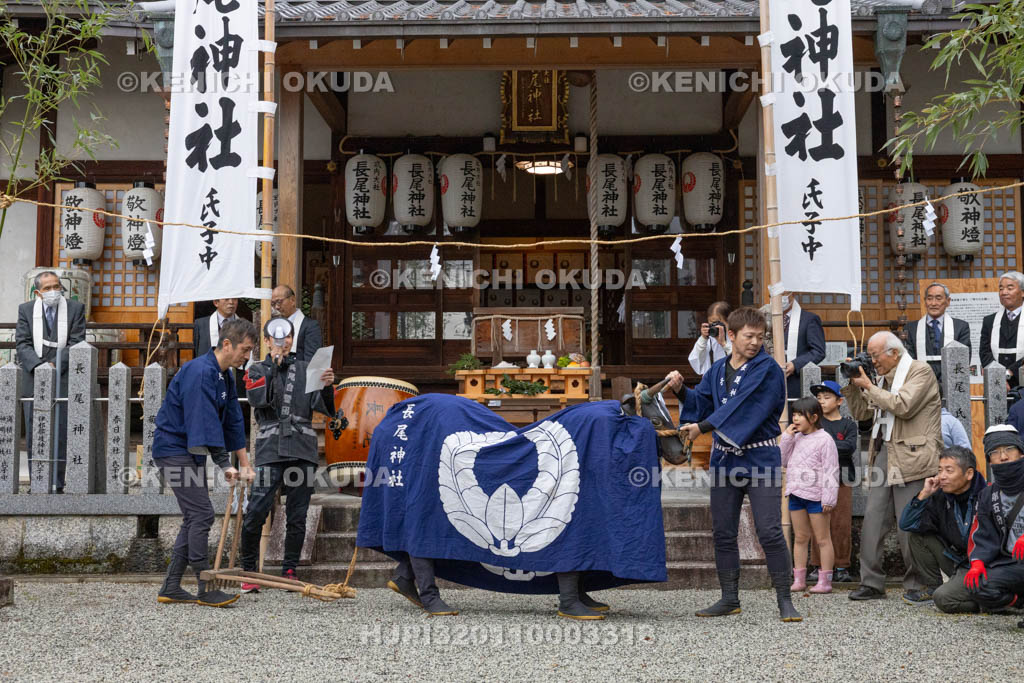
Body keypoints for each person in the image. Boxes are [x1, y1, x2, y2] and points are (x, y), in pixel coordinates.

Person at [669, 306, 801, 622]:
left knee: (769, 530)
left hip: (760, 458)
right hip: (725, 460)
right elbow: (701, 402)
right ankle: (730, 598)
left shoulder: (768, 369)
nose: (755, 342)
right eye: (749, 336)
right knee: (723, 531)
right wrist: (680, 390)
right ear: (731, 335)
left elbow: (745, 408)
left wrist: (702, 427)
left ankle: (785, 599)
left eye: (760, 337)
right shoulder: (716, 370)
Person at [152, 318, 257, 608]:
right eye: (245, 350)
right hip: (173, 449)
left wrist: (244, 462)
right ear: (227, 344)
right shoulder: (200, 371)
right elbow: (204, 421)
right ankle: (205, 584)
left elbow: (233, 420)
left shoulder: (223, 375)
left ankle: (171, 586)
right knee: (202, 514)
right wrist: (225, 464)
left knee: (193, 516)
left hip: (191, 450)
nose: (247, 357)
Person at [238, 318, 338, 590]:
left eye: (288, 337)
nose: (283, 343)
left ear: (293, 340)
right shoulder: (255, 369)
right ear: (267, 341)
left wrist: (327, 385)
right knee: (257, 509)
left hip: (302, 448)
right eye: (276, 338)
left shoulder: (308, 369)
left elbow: (326, 409)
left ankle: (290, 569)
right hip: (271, 448)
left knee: (297, 514)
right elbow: (257, 402)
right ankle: (249, 570)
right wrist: (273, 367)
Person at [842, 331, 943, 601]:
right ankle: (871, 582)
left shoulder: (919, 372)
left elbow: (904, 405)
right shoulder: (882, 378)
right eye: (870, 356)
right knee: (873, 519)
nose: (873, 361)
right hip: (884, 453)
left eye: (875, 356)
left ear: (894, 353)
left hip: (913, 454)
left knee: (908, 523)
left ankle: (918, 583)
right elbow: (862, 414)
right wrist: (855, 385)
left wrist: (871, 386)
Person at [15, 271, 86, 493]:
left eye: (56, 286)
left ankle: (58, 483)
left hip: (63, 377)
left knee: (62, 430)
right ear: (38, 292)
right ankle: (37, 483)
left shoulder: (75, 309)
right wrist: (38, 366)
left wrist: (55, 365)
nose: (53, 291)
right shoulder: (26, 310)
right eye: (47, 288)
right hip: (33, 377)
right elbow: (22, 342)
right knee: (37, 431)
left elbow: (77, 342)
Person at [898, 446, 986, 612]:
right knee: (918, 536)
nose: (942, 476)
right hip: (959, 562)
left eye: (949, 470)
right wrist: (923, 494)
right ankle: (934, 587)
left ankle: (989, 602)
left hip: (982, 565)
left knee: (944, 599)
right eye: (940, 470)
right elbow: (907, 524)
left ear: (969, 474)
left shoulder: (987, 495)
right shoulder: (940, 497)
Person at [964, 425, 1024, 621]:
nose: (1003, 457)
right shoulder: (988, 494)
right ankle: (1018, 603)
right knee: (978, 585)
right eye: (995, 452)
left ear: (1021, 453)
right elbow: (984, 534)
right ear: (989, 461)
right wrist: (978, 562)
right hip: (1012, 563)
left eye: (1009, 450)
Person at [781, 396, 839, 594]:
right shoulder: (795, 437)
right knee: (800, 538)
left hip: (817, 496)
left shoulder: (825, 440)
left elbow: (831, 470)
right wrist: (787, 437)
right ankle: (799, 579)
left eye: (800, 415)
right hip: (796, 493)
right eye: (794, 414)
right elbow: (781, 460)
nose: (795, 419)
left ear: (814, 417)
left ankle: (825, 580)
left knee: (822, 539)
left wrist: (829, 498)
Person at [809, 381, 858, 584]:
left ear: (839, 401)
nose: (822, 402)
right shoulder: (814, 423)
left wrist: (824, 445)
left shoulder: (848, 424)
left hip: (842, 479)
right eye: (819, 398)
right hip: (816, 480)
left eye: (827, 397)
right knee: (816, 523)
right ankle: (817, 564)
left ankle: (842, 565)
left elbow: (849, 447)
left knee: (841, 524)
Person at [904, 282, 971, 387]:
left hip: (950, 385)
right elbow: (909, 359)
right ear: (925, 301)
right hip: (920, 385)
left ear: (948, 301)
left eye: (938, 298)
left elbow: (963, 359)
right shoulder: (911, 328)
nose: (933, 303)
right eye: (929, 298)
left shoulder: (961, 327)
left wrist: (944, 383)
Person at [980, 271, 1024, 389]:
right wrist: (997, 377)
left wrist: (1010, 372)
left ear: (1022, 292)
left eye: (1010, 288)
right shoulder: (989, 321)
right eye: (1001, 289)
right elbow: (985, 353)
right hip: (996, 384)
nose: (1004, 292)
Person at [780, 294, 826, 400]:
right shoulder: (765, 318)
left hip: (795, 380)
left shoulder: (809, 319)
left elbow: (818, 351)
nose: (779, 298)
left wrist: (795, 365)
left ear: (792, 294)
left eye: (783, 294)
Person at [271, 285, 322, 362]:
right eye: (273, 303)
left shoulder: (310, 326)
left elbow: (311, 362)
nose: (277, 307)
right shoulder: (275, 325)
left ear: (292, 300)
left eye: (279, 302)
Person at [688, 300, 733, 375]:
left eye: (717, 323)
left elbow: (741, 361)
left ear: (729, 320)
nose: (715, 327)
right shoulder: (708, 339)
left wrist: (724, 344)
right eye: (712, 324)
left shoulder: (736, 337)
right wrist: (703, 338)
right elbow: (695, 361)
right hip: (712, 382)